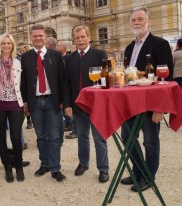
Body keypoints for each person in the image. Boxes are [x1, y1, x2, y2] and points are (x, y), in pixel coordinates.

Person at [120, 6, 174, 192]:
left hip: (151, 104)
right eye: (133, 20)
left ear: (148, 21)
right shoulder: (128, 48)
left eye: (140, 19)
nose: (137, 22)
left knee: (150, 142)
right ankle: (138, 172)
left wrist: (161, 106)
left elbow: (166, 78)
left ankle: (148, 177)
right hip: (131, 103)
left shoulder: (160, 44)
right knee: (127, 138)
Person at [63, 25, 109, 183]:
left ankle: (103, 169)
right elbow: (67, 83)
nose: (80, 40)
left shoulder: (100, 54)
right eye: (77, 38)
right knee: (82, 136)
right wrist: (67, 104)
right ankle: (83, 163)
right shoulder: (69, 58)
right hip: (78, 105)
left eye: (83, 37)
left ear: (89, 37)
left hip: (97, 104)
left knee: (99, 138)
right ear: (73, 40)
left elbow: (106, 79)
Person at [21, 24, 66, 182]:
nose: (38, 38)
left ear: (45, 36)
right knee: (41, 136)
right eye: (35, 36)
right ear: (31, 38)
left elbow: (62, 80)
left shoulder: (56, 55)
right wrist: (25, 101)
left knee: (54, 137)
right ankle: (44, 164)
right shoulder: (26, 57)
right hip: (35, 102)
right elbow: (23, 82)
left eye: (40, 35)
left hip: (52, 101)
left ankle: (55, 168)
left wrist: (63, 101)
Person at [0, 33, 25, 183]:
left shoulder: (18, 62)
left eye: (9, 43)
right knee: (1, 137)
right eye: (3, 43)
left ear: (12, 45)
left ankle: (19, 166)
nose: (6, 46)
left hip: (16, 103)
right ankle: (7, 167)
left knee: (16, 137)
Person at [20, 45, 33, 130]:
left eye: (26, 50)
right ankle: (28, 121)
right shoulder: (20, 60)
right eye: (22, 51)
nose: (24, 53)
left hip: (31, 85)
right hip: (23, 85)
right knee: (26, 104)